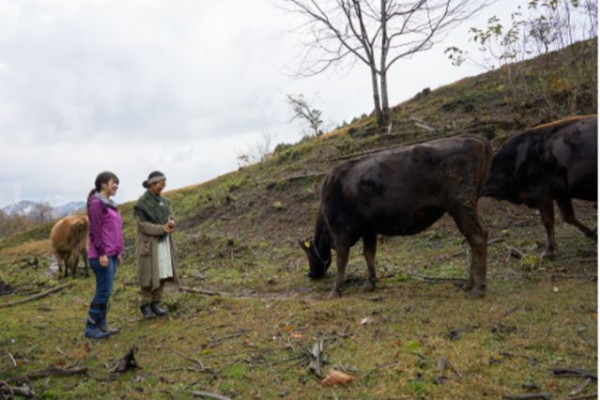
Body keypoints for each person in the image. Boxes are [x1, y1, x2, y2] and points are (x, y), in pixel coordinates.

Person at [133, 171, 179, 319]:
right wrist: (160, 229)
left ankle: (156, 302)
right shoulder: (142, 204)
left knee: (163, 271)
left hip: (164, 242)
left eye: (164, 183)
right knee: (148, 273)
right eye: (160, 183)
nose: (163, 186)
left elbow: (170, 216)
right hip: (149, 243)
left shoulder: (166, 202)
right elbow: (142, 225)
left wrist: (171, 223)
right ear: (152, 185)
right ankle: (145, 304)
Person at [85, 171, 124, 339]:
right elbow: (95, 231)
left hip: (112, 254)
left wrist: (119, 252)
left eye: (117, 183)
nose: (116, 186)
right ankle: (91, 327)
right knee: (103, 291)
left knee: (107, 291)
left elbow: (115, 231)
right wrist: (102, 253)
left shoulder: (110, 204)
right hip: (101, 255)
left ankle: (101, 324)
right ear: (103, 184)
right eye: (113, 182)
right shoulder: (96, 204)